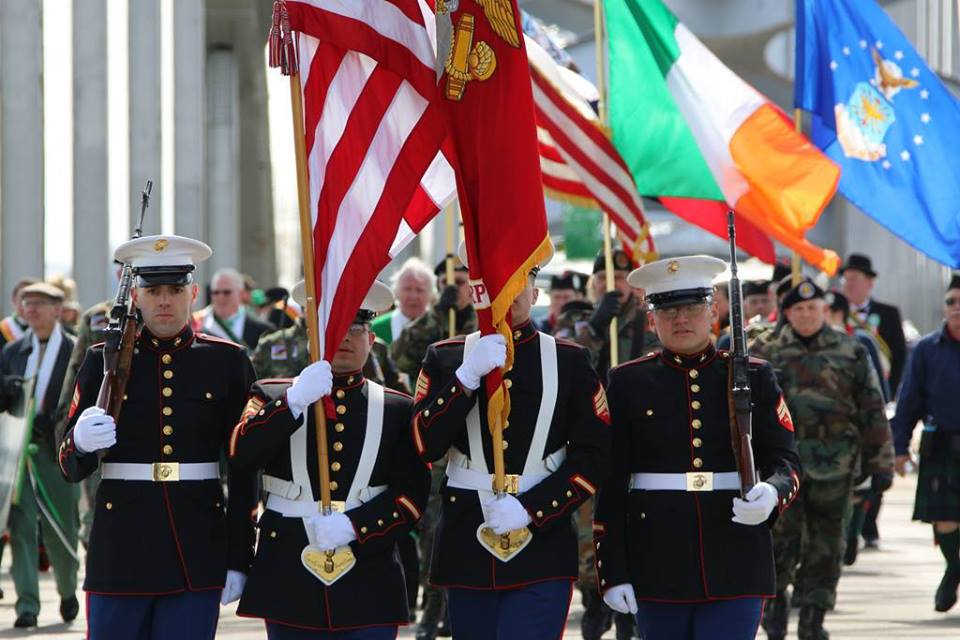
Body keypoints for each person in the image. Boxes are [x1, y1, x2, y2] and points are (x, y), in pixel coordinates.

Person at [57, 235, 257, 640]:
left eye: (175, 290)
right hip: (120, 547)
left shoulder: (227, 361)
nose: (164, 300)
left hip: (196, 545)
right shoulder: (102, 359)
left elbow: (243, 465)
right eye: (153, 290)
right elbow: (69, 466)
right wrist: (78, 441)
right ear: (136, 295)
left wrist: (240, 555)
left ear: (194, 294)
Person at [594, 256, 800, 640]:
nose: (681, 320)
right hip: (656, 557)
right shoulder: (627, 382)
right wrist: (612, 571)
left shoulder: (753, 374)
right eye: (668, 311)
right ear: (652, 320)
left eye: (691, 308)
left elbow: (785, 460)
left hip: (736, 552)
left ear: (714, 312)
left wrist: (772, 493)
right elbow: (612, 481)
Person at [411, 251, 612, 640]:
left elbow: (595, 454)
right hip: (467, 540)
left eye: (520, 282)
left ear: (536, 293)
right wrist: (465, 377)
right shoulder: (447, 356)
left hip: (543, 542)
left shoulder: (569, 361)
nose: (509, 293)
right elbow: (424, 443)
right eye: (498, 284)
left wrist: (533, 509)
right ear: (476, 293)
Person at [230, 280, 429, 638]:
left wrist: (357, 524)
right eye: (335, 329)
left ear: (372, 341)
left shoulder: (398, 409)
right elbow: (241, 455)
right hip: (289, 574)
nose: (347, 338)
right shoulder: (273, 394)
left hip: (369, 572)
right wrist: (292, 403)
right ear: (311, 338)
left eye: (357, 329)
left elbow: (412, 495)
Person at [751, 278, 894, 640]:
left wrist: (881, 465)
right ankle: (776, 609)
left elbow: (872, 409)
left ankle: (814, 616)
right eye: (797, 309)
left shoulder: (851, 350)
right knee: (779, 543)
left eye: (813, 308)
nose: (806, 315)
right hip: (781, 470)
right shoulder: (765, 351)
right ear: (786, 313)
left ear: (825, 311)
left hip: (836, 467)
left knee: (827, 547)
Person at [0, 282, 79, 628]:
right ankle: (27, 605)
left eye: (40, 304)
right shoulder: (13, 351)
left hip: (56, 453)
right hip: (18, 452)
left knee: (60, 528)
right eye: (28, 303)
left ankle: (66, 589)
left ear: (58, 310)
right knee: (20, 527)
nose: (31, 309)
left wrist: (57, 423)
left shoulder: (76, 349)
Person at [891, 273, 960, 612]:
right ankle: (954, 569)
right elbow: (909, 402)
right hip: (944, 445)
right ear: (944, 307)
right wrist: (900, 447)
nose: (957, 308)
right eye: (952, 302)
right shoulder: (926, 350)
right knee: (946, 520)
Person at [553, 249, 658, 383]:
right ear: (593, 283)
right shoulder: (572, 319)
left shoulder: (649, 320)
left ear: (631, 284)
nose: (610, 283)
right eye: (602, 277)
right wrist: (594, 327)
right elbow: (561, 363)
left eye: (618, 277)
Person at [194, 267, 275, 351]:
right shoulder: (198, 325)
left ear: (241, 293)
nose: (220, 297)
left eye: (227, 292)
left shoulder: (264, 330)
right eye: (215, 292)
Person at [371, 258, 435, 345]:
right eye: (407, 289)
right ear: (396, 291)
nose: (413, 296)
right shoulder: (377, 328)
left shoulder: (440, 328)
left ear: (431, 294)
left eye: (420, 290)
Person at [0, 278, 39, 349]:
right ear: (13, 300)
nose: (30, 304)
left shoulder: (45, 330)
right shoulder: (3, 329)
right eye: (24, 298)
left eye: (35, 300)